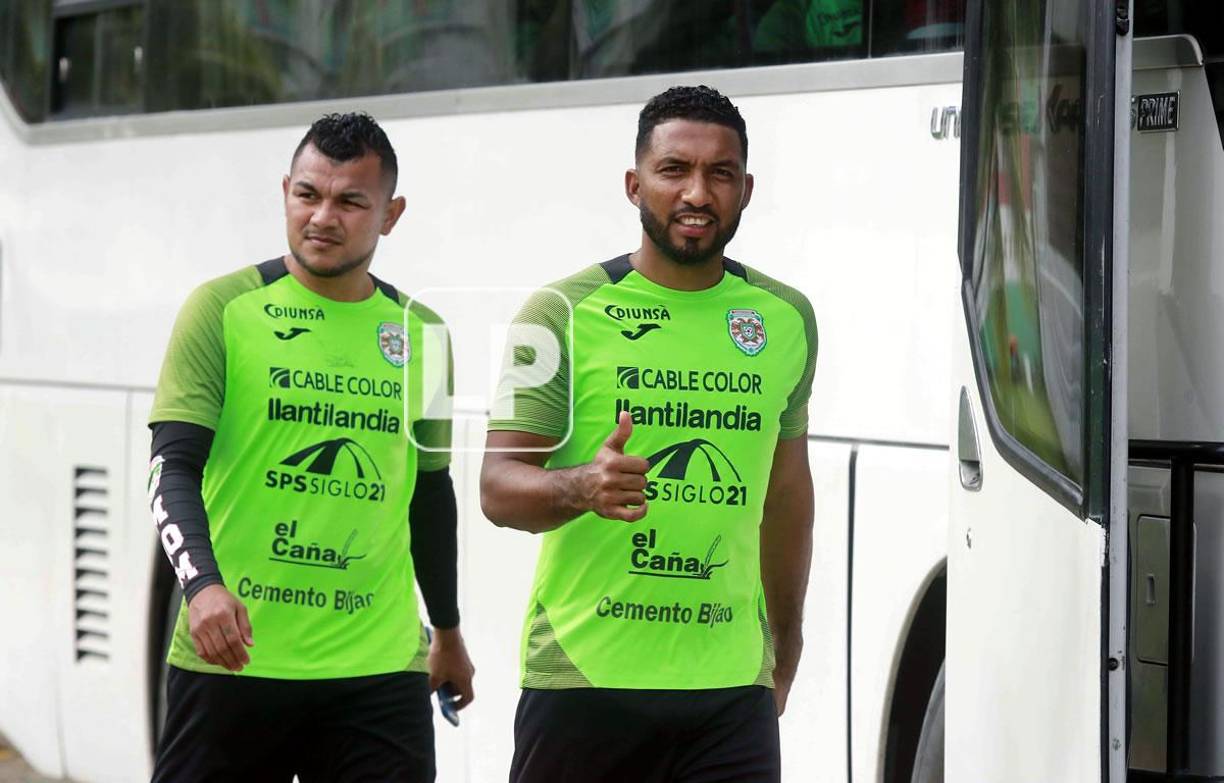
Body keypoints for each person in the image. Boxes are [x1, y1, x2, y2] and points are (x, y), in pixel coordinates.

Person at [481, 85, 817, 783]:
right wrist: (581, 484)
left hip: (730, 690)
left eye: (720, 173)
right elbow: (496, 487)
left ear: (746, 189)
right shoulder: (558, 311)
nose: (697, 192)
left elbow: (785, 494)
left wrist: (786, 639)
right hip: (584, 679)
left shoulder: (786, 319)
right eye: (674, 170)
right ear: (635, 184)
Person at [147, 112, 474, 783]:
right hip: (235, 661)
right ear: (286, 191)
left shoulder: (425, 335)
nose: (323, 216)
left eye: (351, 200)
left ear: (391, 214)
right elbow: (170, 467)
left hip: (377, 673)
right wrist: (202, 585)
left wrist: (447, 628)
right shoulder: (221, 308)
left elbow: (429, 494)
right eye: (308, 194)